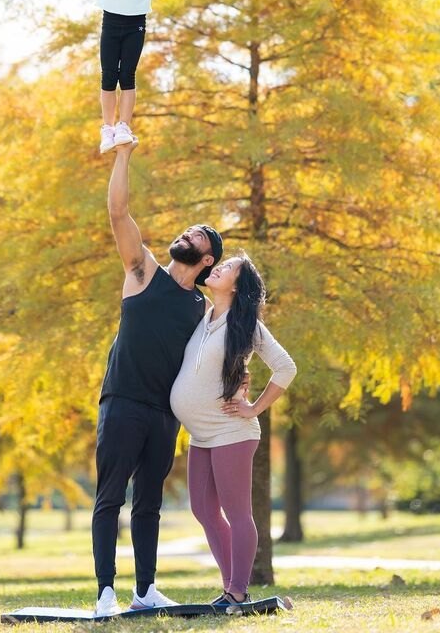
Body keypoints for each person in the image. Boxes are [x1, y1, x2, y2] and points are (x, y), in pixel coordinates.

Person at [92, 137, 223, 616]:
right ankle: (105, 593)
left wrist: (240, 382)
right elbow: (118, 213)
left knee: (148, 505)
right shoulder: (144, 270)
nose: (188, 235)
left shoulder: (202, 308)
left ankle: (144, 590)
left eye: (199, 236)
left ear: (207, 260)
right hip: (122, 402)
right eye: (189, 231)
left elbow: (217, 357)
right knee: (110, 499)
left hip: (164, 415)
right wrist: (123, 156)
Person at [55, 0, 239, 153]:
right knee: (108, 77)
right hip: (111, 21)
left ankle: (123, 126)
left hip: (136, 24)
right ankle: (107, 129)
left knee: (127, 76)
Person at [170, 251, 297, 610]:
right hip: (201, 434)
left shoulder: (247, 325)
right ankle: (231, 589)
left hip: (232, 431)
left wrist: (255, 407)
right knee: (203, 510)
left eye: (227, 268)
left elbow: (286, 368)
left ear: (237, 285)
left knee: (237, 512)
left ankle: (238, 591)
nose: (218, 268)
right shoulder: (203, 315)